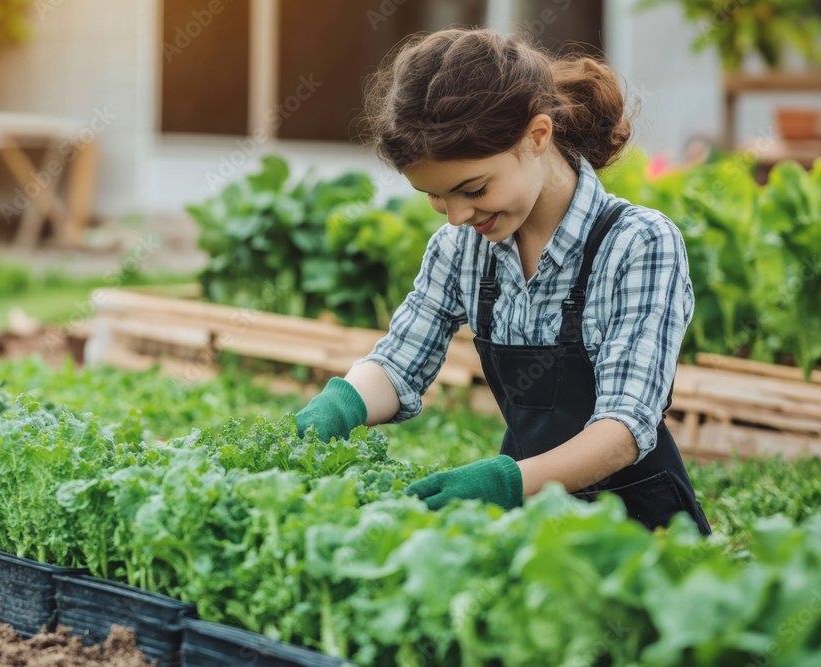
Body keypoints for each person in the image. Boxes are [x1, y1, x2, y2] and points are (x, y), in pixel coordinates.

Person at [295, 26, 712, 535]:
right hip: (531, 525)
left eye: (473, 188)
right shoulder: (461, 248)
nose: (454, 216)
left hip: (640, 527)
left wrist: (505, 483)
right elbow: (399, 363)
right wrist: (341, 404)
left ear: (537, 136)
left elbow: (624, 430)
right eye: (436, 196)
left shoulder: (638, 244)